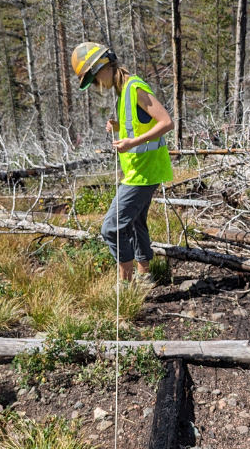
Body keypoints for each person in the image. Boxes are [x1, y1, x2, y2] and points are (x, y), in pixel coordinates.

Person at [71, 42, 174, 282]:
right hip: (139, 171)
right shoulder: (123, 92)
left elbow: (167, 122)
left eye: (94, 79)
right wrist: (117, 127)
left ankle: (125, 286)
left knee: (111, 228)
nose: (97, 85)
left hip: (144, 172)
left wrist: (131, 142)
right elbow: (140, 123)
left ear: (102, 66)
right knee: (136, 221)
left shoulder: (135, 87)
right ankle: (145, 276)